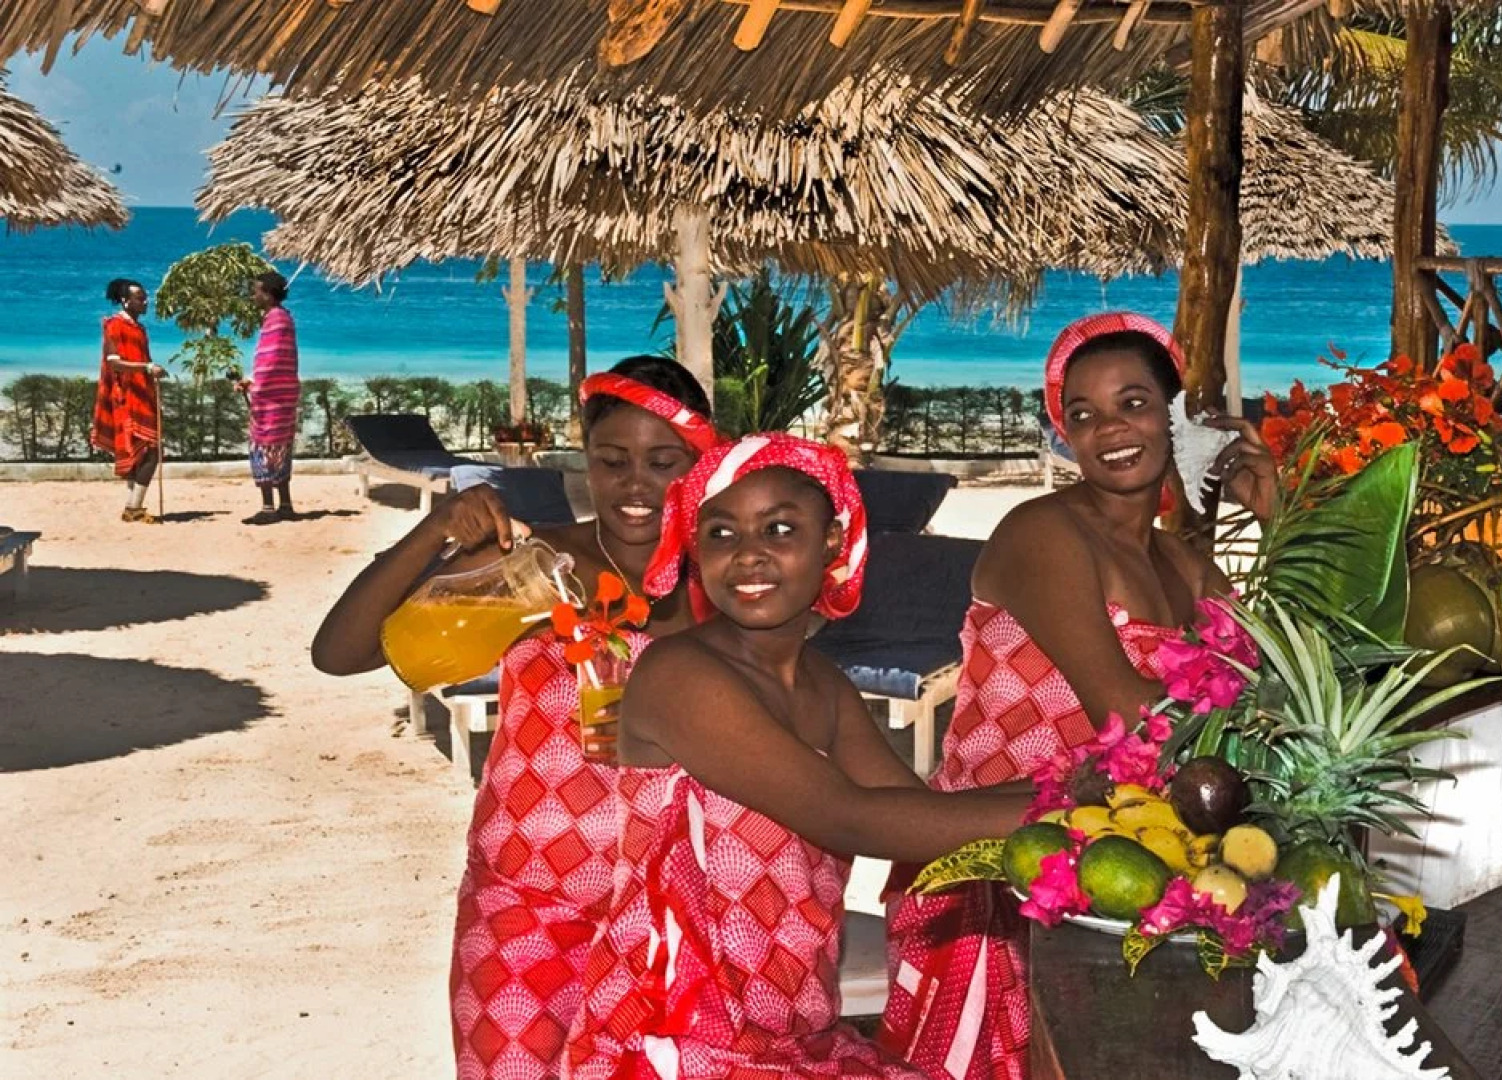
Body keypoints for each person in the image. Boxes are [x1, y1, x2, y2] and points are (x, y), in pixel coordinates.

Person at [879, 312, 1277, 1080]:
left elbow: (1287, 682)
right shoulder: (1043, 532)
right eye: (1083, 415)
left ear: (1176, 415)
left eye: (1132, 403)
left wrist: (1276, 514)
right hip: (1002, 870)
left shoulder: (1190, 568)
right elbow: (1126, 715)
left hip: (1123, 870)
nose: (1109, 430)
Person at [565, 433, 1032, 1080]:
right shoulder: (682, 675)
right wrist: (1056, 807)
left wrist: (1077, 800)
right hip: (674, 1039)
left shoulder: (822, 684)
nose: (749, 555)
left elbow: (917, 818)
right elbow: (850, 818)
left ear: (832, 543)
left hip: (792, 1033)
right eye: (722, 535)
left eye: (780, 529)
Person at [310, 356, 717, 1080]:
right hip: (524, 906)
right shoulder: (535, 566)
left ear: (701, 463)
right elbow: (340, 653)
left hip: (677, 913)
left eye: (663, 462)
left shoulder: (728, 584)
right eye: (611, 460)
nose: (634, 484)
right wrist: (434, 530)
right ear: (584, 461)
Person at [91, 278, 166, 523]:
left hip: (143, 394)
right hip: (126, 396)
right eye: (140, 298)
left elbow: (143, 360)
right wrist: (146, 367)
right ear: (125, 300)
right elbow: (114, 363)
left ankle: (133, 506)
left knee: (143, 452)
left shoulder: (140, 329)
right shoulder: (114, 325)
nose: (146, 302)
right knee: (150, 452)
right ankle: (134, 507)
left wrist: (150, 374)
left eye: (145, 297)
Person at [238, 270, 302, 524]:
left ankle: (268, 508)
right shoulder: (284, 318)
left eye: (257, 291)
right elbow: (276, 359)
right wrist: (253, 380)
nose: (254, 296)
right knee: (281, 447)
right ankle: (285, 504)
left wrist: (255, 387)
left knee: (263, 445)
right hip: (283, 395)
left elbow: (272, 358)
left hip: (271, 398)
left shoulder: (275, 319)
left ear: (268, 294)